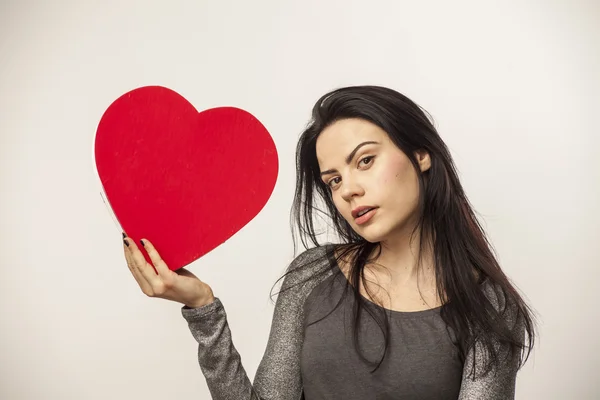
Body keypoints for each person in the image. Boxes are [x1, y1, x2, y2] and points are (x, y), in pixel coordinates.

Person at [122, 85, 536, 399]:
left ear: (421, 154)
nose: (348, 190)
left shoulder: (488, 306)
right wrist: (202, 308)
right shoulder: (312, 273)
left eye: (365, 161)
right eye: (333, 180)